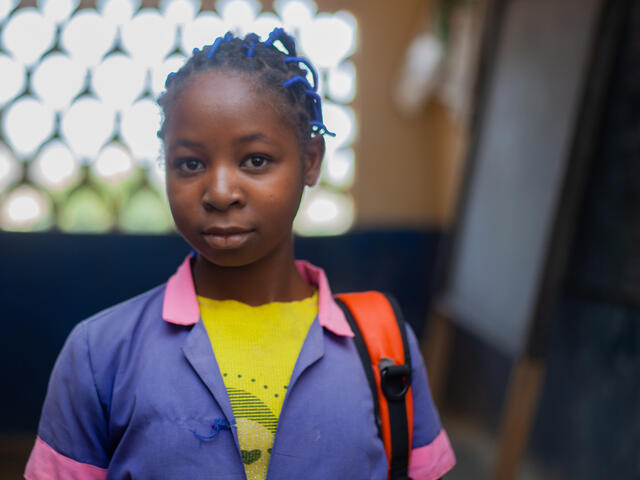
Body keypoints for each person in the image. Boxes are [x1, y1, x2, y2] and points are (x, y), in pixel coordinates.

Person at [24, 28, 455, 480]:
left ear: (311, 160)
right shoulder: (101, 353)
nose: (221, 192)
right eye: (190, 164)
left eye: (255, 160)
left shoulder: (382, 347)